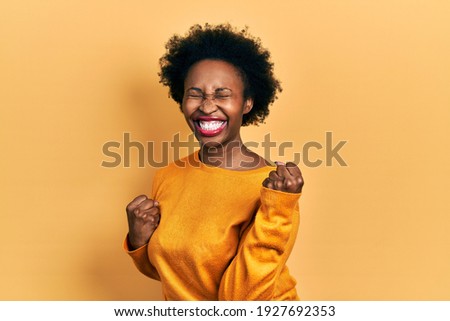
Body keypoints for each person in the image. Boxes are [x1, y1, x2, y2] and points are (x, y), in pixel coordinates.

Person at [124, 23, 304, 300]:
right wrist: (139, 240)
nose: (207, 106)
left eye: (222, 94)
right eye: (195, 93)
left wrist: (277, 209)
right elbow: (176, 272)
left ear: (247, 103)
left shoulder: (274, 190)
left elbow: (242, 301)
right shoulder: (168, 176)